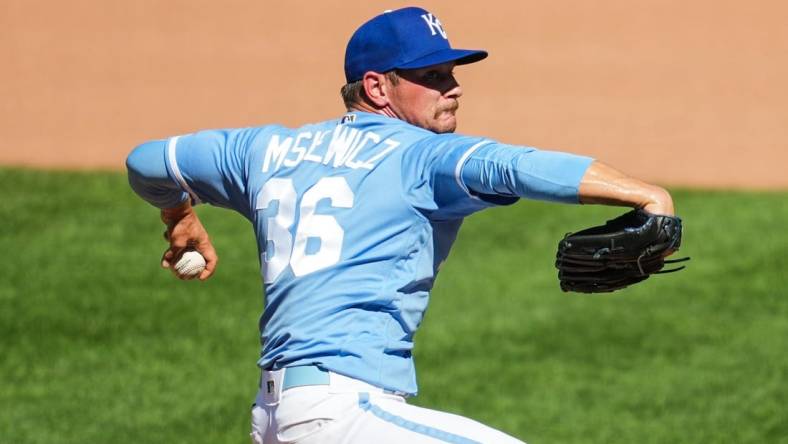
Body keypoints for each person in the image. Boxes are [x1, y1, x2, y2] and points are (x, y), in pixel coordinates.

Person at [126, 7, 675, 444]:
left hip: (278, 417)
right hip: (345, 418)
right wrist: (643, 192)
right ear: (377, 88)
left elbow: (146, 161)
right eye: (431, 76)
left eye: (452, 72)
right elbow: (514, 165)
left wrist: (179, 215)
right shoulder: (418, 158)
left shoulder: (264, 149)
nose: (453, 86)